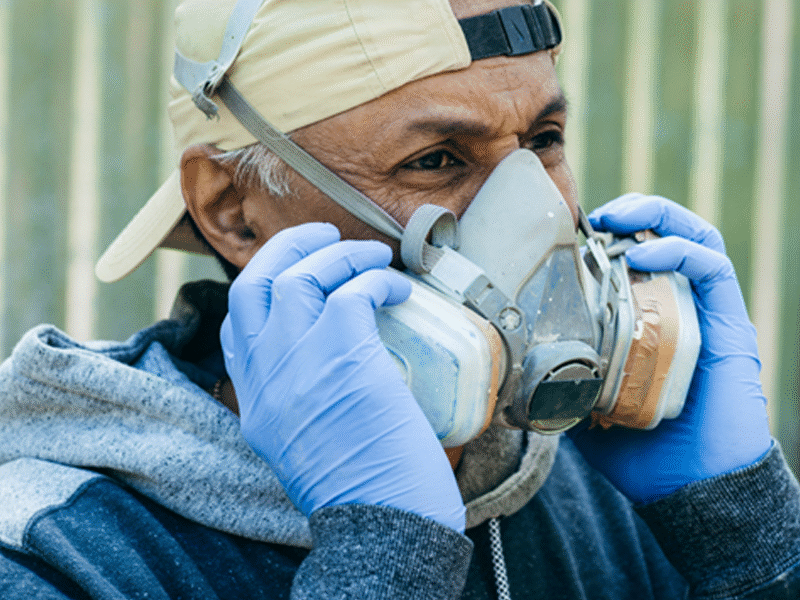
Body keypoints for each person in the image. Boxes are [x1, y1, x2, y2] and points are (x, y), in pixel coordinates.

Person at [1, 0, 799, 598]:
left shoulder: (604, 491)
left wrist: (745, 534)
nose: (543, 214)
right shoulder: (56, 550)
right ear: (232, 210)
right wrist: (386, 550)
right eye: (437, 159)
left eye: (543, 141)